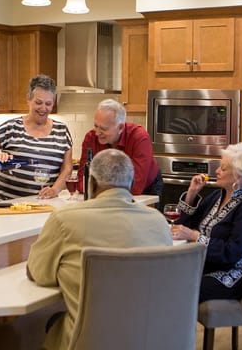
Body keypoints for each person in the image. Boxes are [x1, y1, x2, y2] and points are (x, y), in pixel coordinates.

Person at [26, 149, 173, 350]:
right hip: (154, 337)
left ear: (92, 183)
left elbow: (39, 274)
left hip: (91, 341)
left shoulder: (65, 220)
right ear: (130, 183)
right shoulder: (158, 221)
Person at [171, 142, 242, 302]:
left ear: (239, 175)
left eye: (223, 168)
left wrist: (195, 236)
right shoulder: (218, 195)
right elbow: (184, 225)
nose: (216, 171)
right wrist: (192, 193)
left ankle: (178, 327)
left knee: (181, 287)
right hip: (209, 263)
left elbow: (233, 252)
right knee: (163, 277)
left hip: (238, 271)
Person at [0, 75, 73, 200]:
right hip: (4, 202)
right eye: (38, 102)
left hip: (41, 204)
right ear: (28, 99)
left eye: (48, 104)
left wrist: (55, 190)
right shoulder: (12, 127)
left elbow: (67, 168)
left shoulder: (62, 130)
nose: (43, 108)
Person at [77, 98, 162, 200]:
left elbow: (136, 186)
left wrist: (99, 188)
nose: (97, 133)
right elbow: (83, 182)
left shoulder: (139, 137)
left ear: (120, 128)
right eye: (96, 126)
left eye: (103, 129)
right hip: (105, 196)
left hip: (147, 190)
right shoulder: (90, 138)